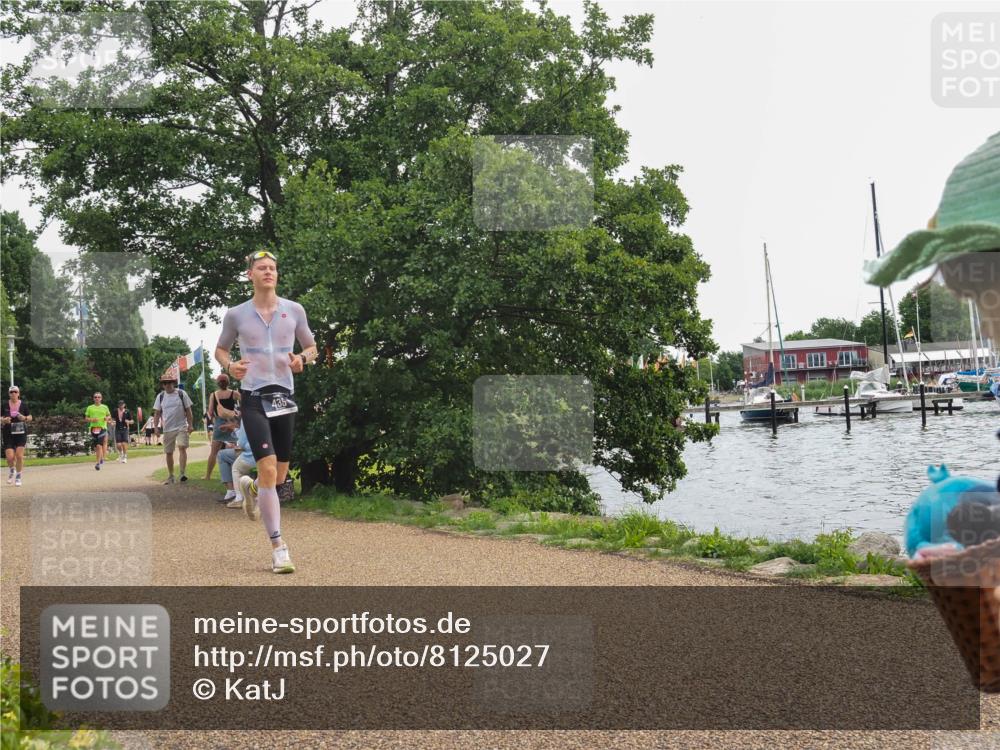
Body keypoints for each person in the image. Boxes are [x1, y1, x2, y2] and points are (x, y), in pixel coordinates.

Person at [215, 249, 317, 574]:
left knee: (280, 476)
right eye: (262, 268)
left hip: (284, 397)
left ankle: (253, 488)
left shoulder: (294, 310)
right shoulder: (236, 315)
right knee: (270, 469)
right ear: (250, 275)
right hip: (255, 397)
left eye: (272, 267)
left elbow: (311, 346)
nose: (268, 272)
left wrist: (304, 358)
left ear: (277, 274)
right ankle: (279, 548)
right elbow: (220, 349)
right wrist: (230, 365)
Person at [153, 367, 195, 484]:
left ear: (173, 383)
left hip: (181, 425)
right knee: (169, 452)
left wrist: (190, 424)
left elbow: (188, 410)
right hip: (168, 428)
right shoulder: (160, 396)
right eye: (165, 383)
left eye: (169, 382)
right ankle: (171, 475)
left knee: (182, 447)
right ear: (162, 385)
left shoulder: (181, 394)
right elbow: (157, 413)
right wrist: (156, 428)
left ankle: (182, 473)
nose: (167, 385)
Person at [204, 373, 240, 480]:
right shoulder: (234, 393)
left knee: (213, 452)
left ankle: (208, 475)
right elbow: (245, 405)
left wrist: (211, 420)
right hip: (232, 423)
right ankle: (236, 473)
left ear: (218, 383)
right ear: (228, 382)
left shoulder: (214, 395)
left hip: (219, 424)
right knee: (235, 451)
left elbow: (210, 412)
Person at [218, 420, 257, 508]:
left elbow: (242, 443)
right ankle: (251, 494)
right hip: (269, 455)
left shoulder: (247, 414)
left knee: (236, 468)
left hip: (252, 454)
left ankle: (238, 497)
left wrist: (234, 430)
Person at [2, 385, 32, 486]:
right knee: (10, 457)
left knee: (19, 456)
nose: (13, 394)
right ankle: (12, 470)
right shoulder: (4, 405)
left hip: (21, 432)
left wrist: (25, 418)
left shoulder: (23, 405)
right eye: (11, 392)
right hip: (8, 433)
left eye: (15, 392)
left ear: (18, 394)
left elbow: (30, 417)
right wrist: (3, 420)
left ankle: (18, 476)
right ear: (9, 394)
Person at [84, 392, 112, 470]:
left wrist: (107, 418)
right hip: (93, 428)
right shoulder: (90, 407)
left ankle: (97, 463)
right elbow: (86, 418)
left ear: (101, 398)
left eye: (98, 397)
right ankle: (101, 458)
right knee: (97, 446)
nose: (97, 398)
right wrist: (92, 419)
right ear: (93, 398)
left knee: (99, 445)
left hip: (102, 428)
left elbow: (109, 416)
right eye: (95, 397)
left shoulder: (105, 407)